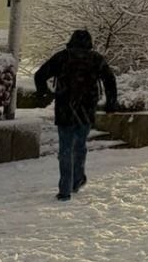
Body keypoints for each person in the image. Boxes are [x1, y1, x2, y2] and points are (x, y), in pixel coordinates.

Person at [34, 28, 118, 201]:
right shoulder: (96, 59)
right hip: (86, 109)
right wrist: (111, 102)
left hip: (65, 109)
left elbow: (40, 75)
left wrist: (43, 93)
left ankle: (64, 190)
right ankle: (77, 179)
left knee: (65, 148)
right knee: (79, 146)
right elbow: (110, 79)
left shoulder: (62, 57)